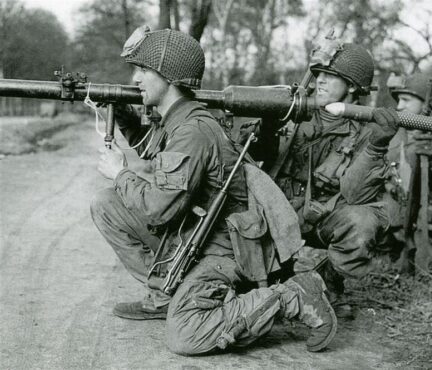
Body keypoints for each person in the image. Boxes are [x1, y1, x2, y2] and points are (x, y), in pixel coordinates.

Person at [90, 25, 336, 355]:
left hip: (223, 251)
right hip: (196, 234)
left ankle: (293, 295)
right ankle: (167, 295)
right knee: (107, 204)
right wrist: (119, 110)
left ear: (169, 76)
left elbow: (159, 210)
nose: (135, 79)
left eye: (143, 70)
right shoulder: (179, 119)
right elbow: (154, 152)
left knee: (186, 336)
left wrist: (120, 172)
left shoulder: (192, 131)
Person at [245, 41, 401, 309]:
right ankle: (275, 274)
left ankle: (327, 282)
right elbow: (256, 154)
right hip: (276, 209)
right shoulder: (294, 110)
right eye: (319, 74)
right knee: (250, 284)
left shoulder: (366, 132)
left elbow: (355, 193)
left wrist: (376, 146)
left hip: (324, 217)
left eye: (331, 76)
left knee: (362, 222)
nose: (321, 81)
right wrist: (268, 124)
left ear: (352, 86)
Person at [385, 72, 432, 267]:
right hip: (396, 219)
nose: (399, 106)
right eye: (398, 100)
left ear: (426, 106)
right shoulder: (394, 134)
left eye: (406, 100)